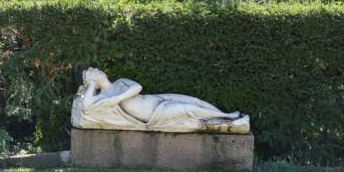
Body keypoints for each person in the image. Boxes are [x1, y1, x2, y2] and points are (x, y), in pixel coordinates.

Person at [71, 67, 250, 133]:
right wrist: (92, 86)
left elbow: (137, 87)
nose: (98, 70)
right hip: (157, 114)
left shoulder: (120, 83)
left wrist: (118, 97)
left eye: (96, 69)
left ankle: (226, 116)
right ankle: (230, 118)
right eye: (94, 72)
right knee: (190, 110)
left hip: (158, 99)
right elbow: (86, 106)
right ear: (92, 80)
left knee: (196, 101)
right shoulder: (102, 97)